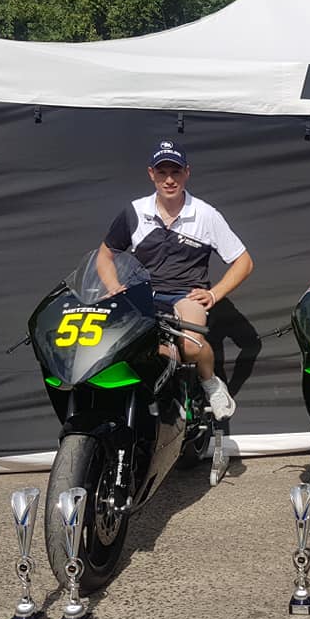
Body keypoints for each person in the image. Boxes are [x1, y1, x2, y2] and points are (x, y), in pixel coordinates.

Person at [97, 140, 253, 419]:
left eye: (176, 172)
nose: (169, 180)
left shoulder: (205, 214)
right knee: (148, 353)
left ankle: (210, 383)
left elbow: (244, 261)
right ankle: (160, 404)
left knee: (191, 345)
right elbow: (105, 256)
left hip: (185, 294)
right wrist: (113, 287)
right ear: (151, 174)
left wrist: (214, 294)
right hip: (144, 295)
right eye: (162, 172)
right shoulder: (135, 211)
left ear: (187, 173)